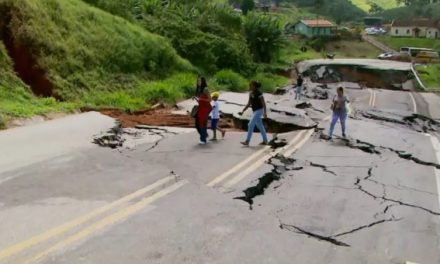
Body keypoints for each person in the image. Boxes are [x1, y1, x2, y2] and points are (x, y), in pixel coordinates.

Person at [239, 81, 269, 146]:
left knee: (250, 124)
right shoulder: (250, 93)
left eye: (251, 85)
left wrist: (265, 113)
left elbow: (263, 103)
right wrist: (243, 110)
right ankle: (265, 140)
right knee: (260, 126)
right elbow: (249, 103)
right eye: (250, 85)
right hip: (255, 111)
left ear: (255, 86)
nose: (250, 86)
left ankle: (247, 141)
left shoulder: (259, 93)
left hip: (259, 110)